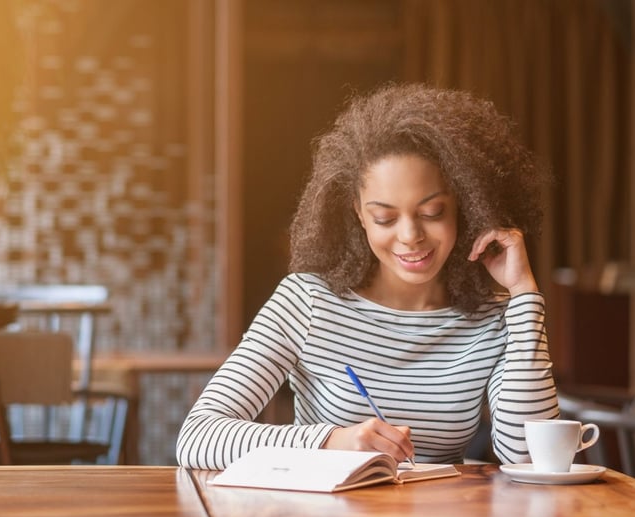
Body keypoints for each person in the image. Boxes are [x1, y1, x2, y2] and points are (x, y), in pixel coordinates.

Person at [176, 83, 559, 470]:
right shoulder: (308, 302)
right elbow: (198, 437)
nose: (410, 236)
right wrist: (330, 441)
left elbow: (530, 458)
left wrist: (524, 294)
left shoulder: (492, 321)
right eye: (385, 218)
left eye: (432, 212)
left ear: (466, 203)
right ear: (359, 214)